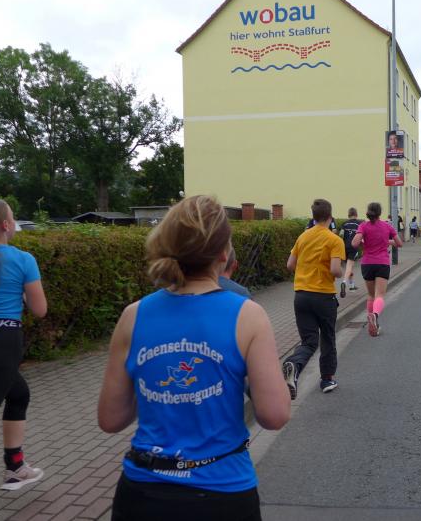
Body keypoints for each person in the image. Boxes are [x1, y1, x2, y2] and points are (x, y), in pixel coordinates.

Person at [98, 195, 290, 521]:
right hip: (222, 491)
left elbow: (110, 419)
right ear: (223, 254)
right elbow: (274, 415)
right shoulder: (248, 316)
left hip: (142, 494)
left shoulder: (133, 316)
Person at [0, 199, 47, 492]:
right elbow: (40, 309)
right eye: (12, 217)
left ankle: (15, 467)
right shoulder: (23, 260)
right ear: (5, 225)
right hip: (3, 342)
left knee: (19, 393)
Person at [282, 199, 345, 398]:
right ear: (330, 217)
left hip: (301, 295)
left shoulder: (303, 236)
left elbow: (290, 265)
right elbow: (335, 269)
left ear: (314, 216)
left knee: (309, 341)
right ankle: (327, 379)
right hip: (324, 296)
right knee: (327, 337)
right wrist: (340, 274)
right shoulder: (334, 240)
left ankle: (294, 365)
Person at [352, 202, 402, 337]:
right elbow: (399, 243)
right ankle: (374, 315)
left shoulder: (363, 226)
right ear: (380, 213)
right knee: (379, 295)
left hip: (367, 263)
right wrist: (387, 241)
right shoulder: (387, 226)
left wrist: (364, 243)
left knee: (371, 295)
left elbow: (354, 243)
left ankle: (372, 322)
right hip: (382, 263)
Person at [339, 208, 362, 298]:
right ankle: (344, 282)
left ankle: (352, 286)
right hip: (353, 247)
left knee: (350, 267)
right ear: (356, 214)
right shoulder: (359, 223)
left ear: (349, 214)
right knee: (349, 266)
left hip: (344, 247)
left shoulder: (344, 224)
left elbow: (341, 235)